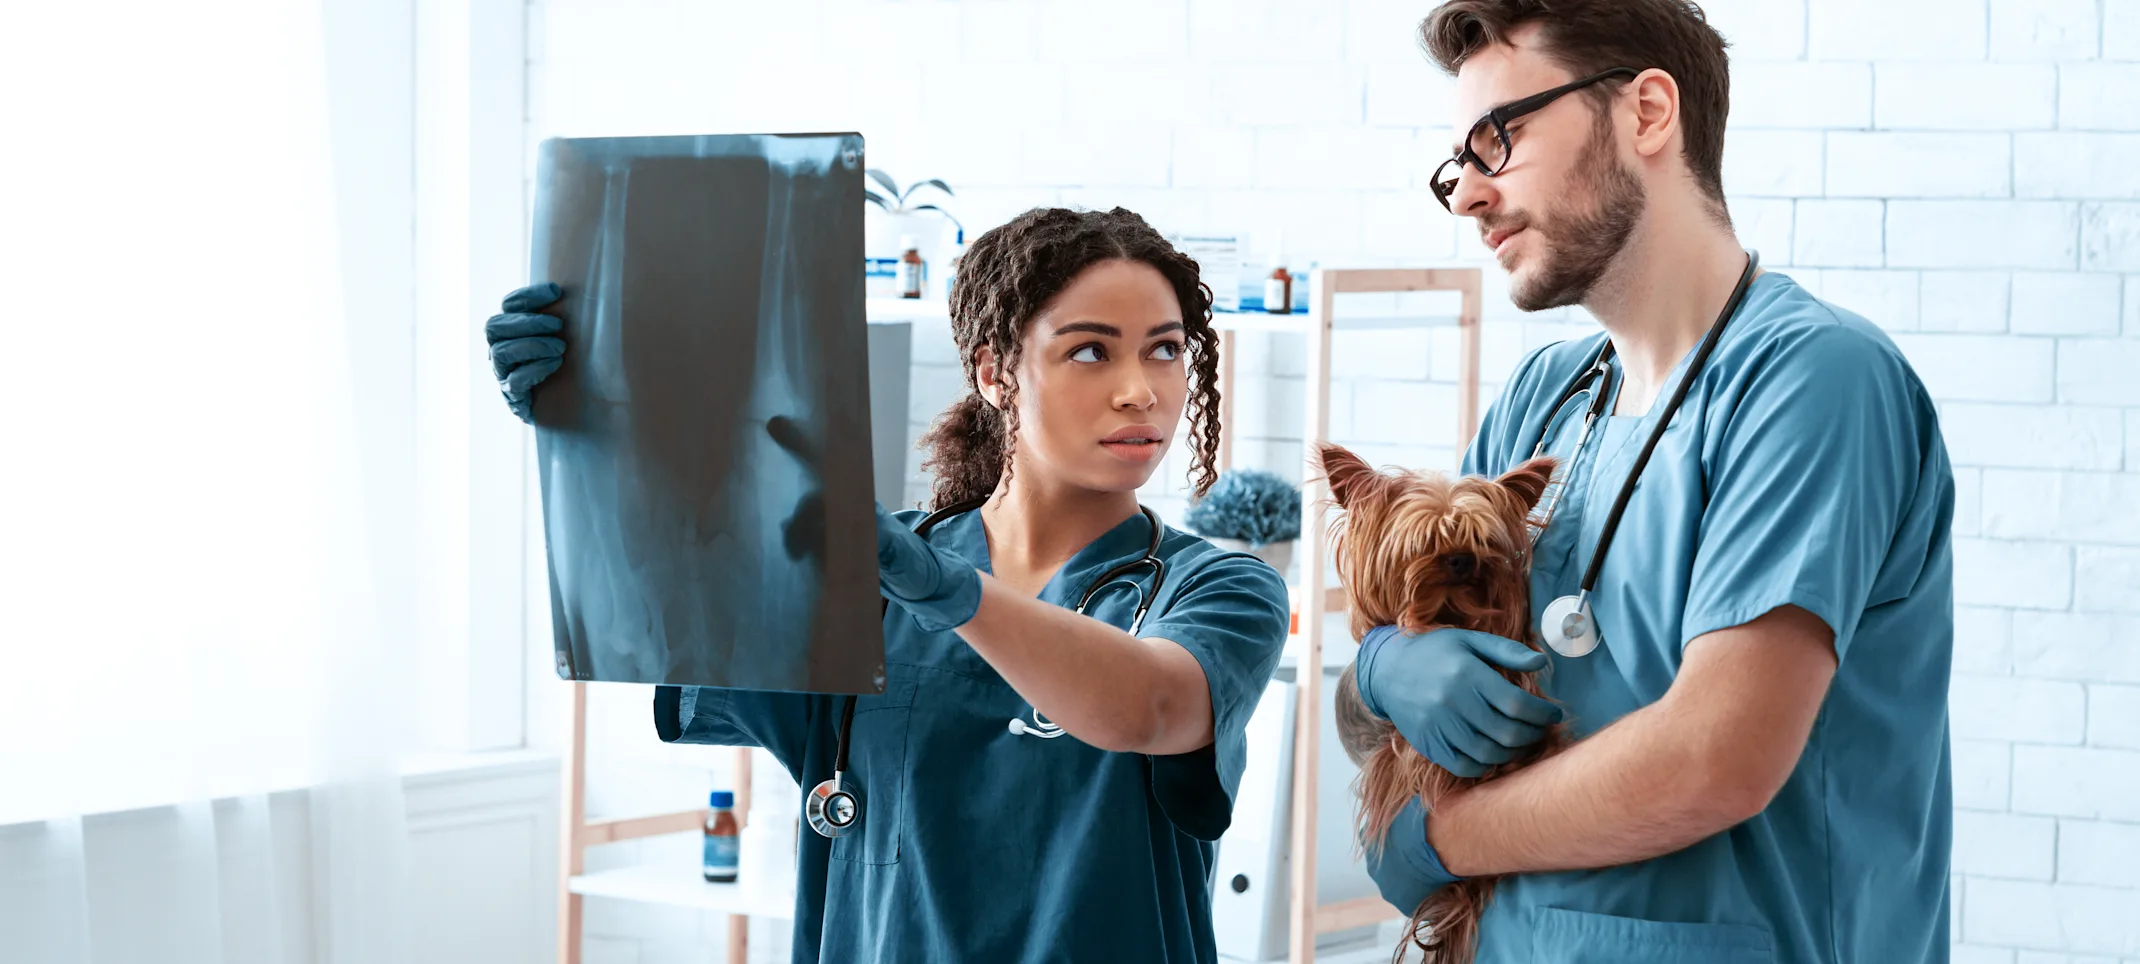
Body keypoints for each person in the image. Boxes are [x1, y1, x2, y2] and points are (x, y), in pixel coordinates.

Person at [486, 206, 1290, 963]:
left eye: (1166, 348)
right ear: (994, 373)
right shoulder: (862, 573)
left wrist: (944, 590)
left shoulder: (1218, 588)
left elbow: (1150, 705)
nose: (1141, 389)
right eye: (1090, 350)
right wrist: (592, 436)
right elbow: (665, 603)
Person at [1338, 2, 1956, 962]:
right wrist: (1381, 670)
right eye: (1456, 161)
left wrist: (1434, 838)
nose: (1466, 194)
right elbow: (1404, 673)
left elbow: (1715, 760)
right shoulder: (1543, 399)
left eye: (1499, 139)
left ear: (1648, 113)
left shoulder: (1812, 382)